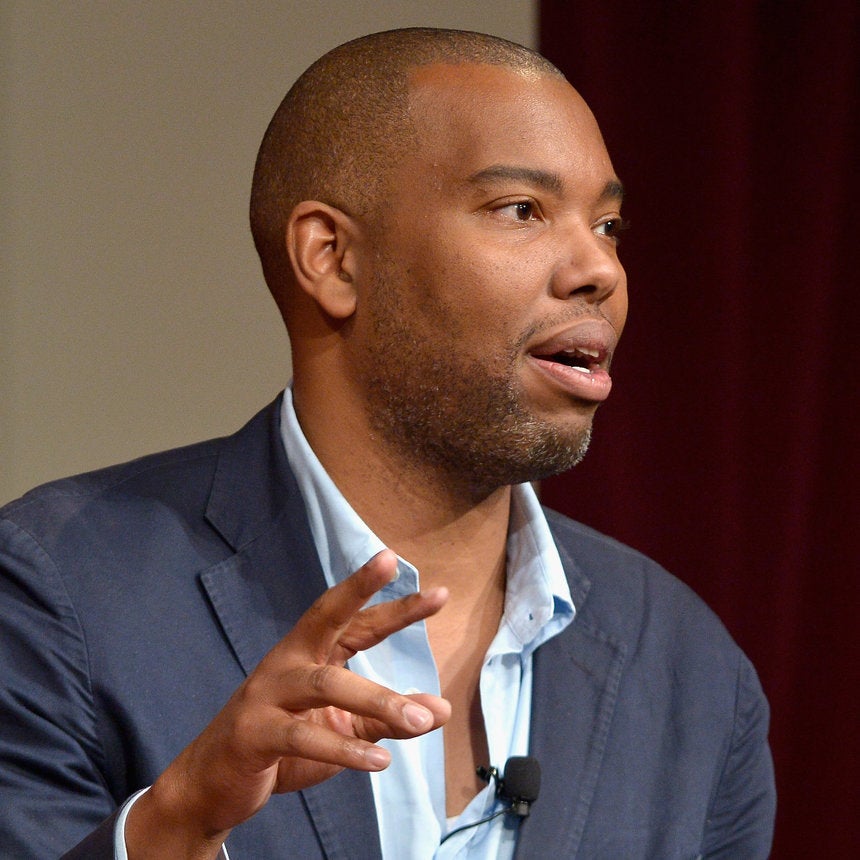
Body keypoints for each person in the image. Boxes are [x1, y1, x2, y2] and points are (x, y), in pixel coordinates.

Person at [0, 27, 775, 859]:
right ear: (333, 259)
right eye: (522, 209)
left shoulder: (689, 670)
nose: (602, 270)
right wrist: (179, 823)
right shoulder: (61, 592)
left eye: (609, 224)